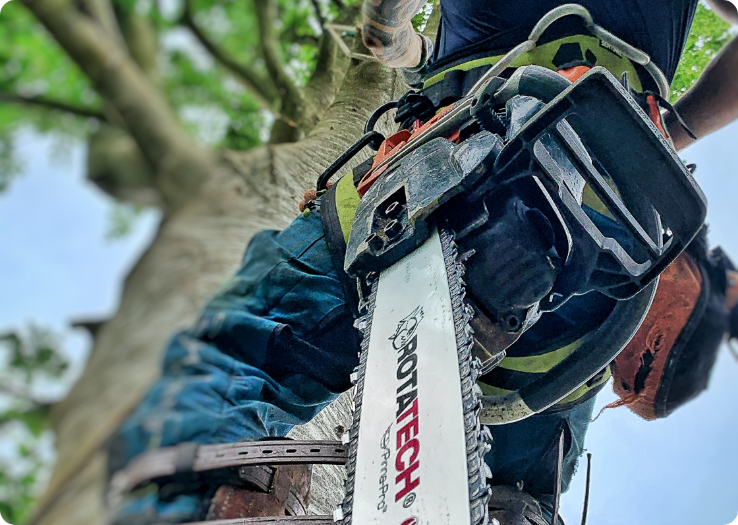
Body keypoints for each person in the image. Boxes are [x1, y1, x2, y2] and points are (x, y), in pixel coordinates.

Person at [106, 1, 738, 524]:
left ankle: (202, 497)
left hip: (439, 170)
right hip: (604, 249)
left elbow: (391, 41)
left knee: (234, 362)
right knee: (519, 497)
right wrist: (671, 131)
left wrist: (390, 28)